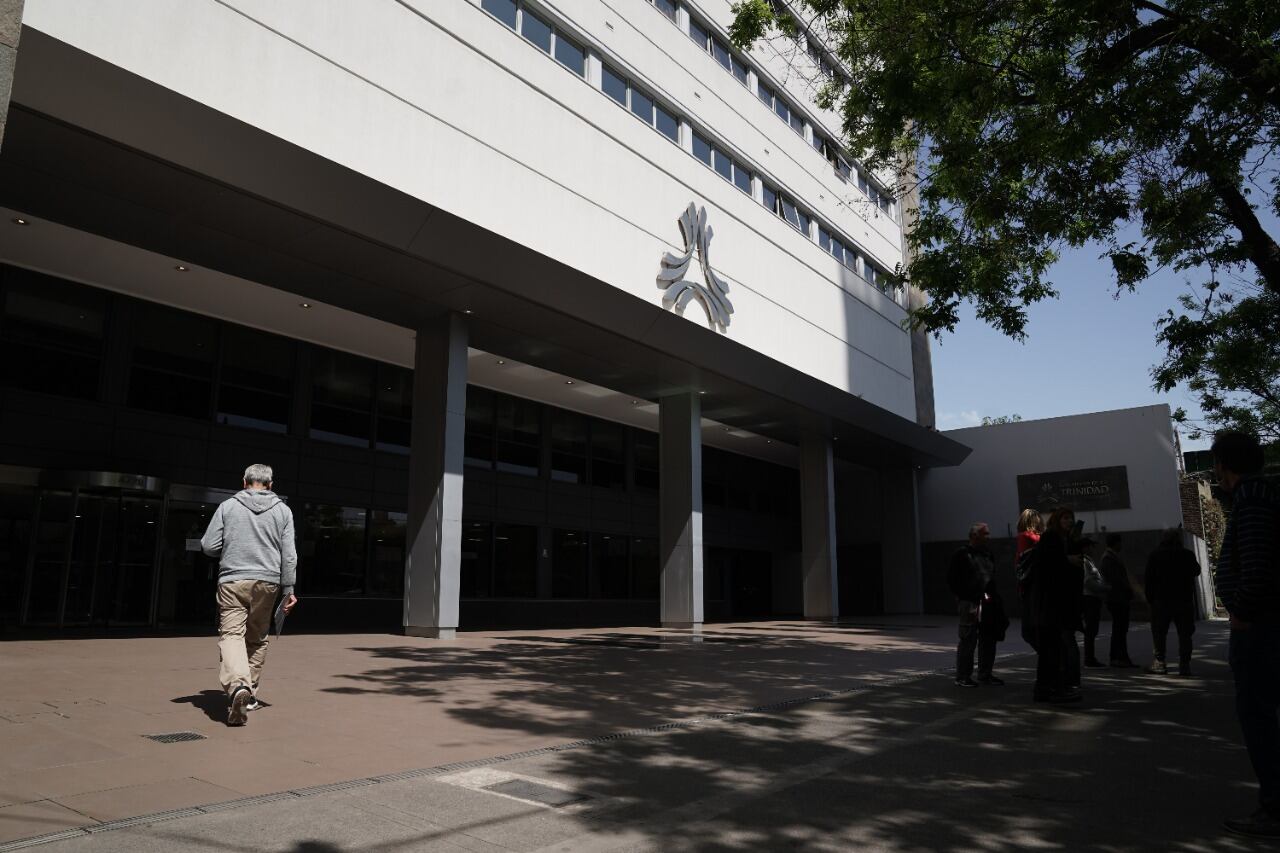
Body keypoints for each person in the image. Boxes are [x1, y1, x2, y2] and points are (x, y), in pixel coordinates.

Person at [1213, 431, 1280, 839]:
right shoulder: (1262, 494)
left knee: (1257, 715)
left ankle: (1274, 806)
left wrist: (1241, 612)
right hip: (1264, 620)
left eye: (1217, 462)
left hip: (1258, 625)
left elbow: (1256, 564)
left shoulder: (1252, 499)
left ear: (1225, 463)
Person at [201, 464, 298, 726]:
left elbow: (208, 545)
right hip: (268, 582)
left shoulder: (228, 507)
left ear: (244, 482)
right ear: (270, 484)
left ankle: (237, 687)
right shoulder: (283, 511)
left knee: (232, 635)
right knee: (257, 637)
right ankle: (250, 693)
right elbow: (289, 556)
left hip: (233, 579)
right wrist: (289, 590)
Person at [1027, 507, 1083, 702]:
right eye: (1066, 518)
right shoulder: (1051, 538)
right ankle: (1051, 688)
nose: (1069, 522)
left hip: (1053, 604)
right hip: (1050, 604)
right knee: (1052, 648)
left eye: (1071, 518)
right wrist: (1068, 560)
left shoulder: (1060, 539)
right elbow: (1047, 566)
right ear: (1057, 520)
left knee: (1053, 648)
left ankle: (1049, 688)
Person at [948, 522, 1004, 687]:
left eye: (988, 533)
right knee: (968, 638)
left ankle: (985, 674)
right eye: (985, 534)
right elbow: (952, 579)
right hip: (970, 601)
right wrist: (964, 596)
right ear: (974, 536)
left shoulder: (987, 554)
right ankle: (963, 676)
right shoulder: (962, 554)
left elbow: (991, 577)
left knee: (989, 638)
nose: (988, 537)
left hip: (988, 601)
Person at [1143, 528, 1201, 676]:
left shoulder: (1155, 555)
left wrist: (1150, 599)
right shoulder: (1187, 554)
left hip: (1161, 601)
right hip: (1184, 600)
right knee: (1185, 634)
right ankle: (1185, 665)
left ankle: (1160, 663)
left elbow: (1148, 579)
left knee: (1159, 633)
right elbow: (1196, 571)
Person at [1098, 533, 1136, 667]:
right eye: (1120, 542)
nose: (1121, 545)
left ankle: (1119, 656)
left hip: (1117, 598)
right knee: (1119, 629)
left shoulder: (1111, 557)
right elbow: (1116, 579)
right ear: (1115, 543)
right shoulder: (1109, 558)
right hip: (1117, 598)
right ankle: (1118, 657)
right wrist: (1127, 589)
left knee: (1120, 629)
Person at [1015, 509, 1043, 648]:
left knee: (1029, 630)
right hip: (1038, 586)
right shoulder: (1040, 538)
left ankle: (1047, 654)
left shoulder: (1024, 537)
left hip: (1029, 586)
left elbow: (1021, 564)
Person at [1080, 538, 1109, 667]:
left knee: (1092, 629)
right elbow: (1088, 582)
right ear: (1085, 547)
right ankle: (1089, 658)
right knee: (1091, 629)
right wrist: (1104, 588)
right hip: (1089, 598)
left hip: (1093, 598)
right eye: (1091, 546)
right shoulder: (1085, 562)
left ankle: (1090, 657)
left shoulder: (1089, 561)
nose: (1093, 549)